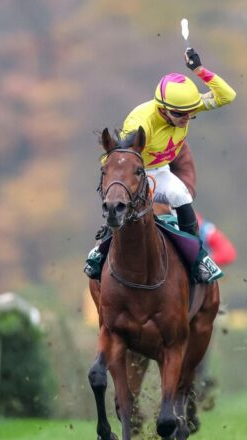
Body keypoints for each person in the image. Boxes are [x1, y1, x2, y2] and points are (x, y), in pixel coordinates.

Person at [85, 47, 236, 282]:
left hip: (161, 172)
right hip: (135, 173)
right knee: (119, 202)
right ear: (162, 109)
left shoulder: (183, 107)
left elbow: (227, 96)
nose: (187, 117)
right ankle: (100, 250)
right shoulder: (140, 120)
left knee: (182, 196)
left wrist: (199, 70)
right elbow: (120, 158)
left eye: (190, 112)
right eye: (180, 114)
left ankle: (198, 259)